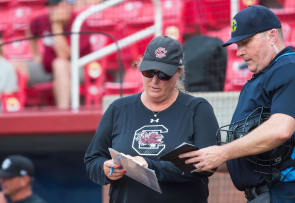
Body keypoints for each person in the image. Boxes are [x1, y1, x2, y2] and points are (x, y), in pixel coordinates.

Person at [180, 5, 295, 203]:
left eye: (245, 42)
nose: (239, 52)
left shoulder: (291, 69)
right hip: (268, 194)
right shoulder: (260, 78)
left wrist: (222, 152)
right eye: (237, 45)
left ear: (272, 36)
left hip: (289, 193)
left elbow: (280, 130)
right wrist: (203, 158)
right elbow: (254, 152)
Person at [84, 36, 219, 203]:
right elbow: (92, 161)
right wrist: (106, 169)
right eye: (148, 72)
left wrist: (150, 166)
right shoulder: (118, 109)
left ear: (178, 73)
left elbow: (207, 165)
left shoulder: (197, 109)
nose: (155, 81)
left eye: (163, 75)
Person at [13, 0, 91, 109]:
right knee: (13, 65)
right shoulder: (43, 19)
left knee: (60, 64)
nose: (53, 9)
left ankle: (62, 113)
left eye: (57, 5)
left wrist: (56, 25)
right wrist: (35, 54)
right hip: (48, 67)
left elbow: (64, 55)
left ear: (67, 5)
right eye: (51, 6)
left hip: (77, 68)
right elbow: (30, 29)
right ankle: (11, 111)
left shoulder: (79, 22)